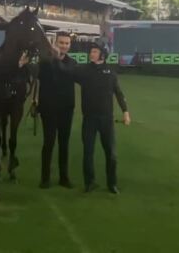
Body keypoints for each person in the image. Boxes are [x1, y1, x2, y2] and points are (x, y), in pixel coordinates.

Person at [54, 43, 131, 194]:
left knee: (111, 154)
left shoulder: (111, 72)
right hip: (89, 119)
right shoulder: (84, 70)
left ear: (102, 54)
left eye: (95, 51)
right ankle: (89, 183)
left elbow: (119, 93)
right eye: (91, 51)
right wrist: (57, 58)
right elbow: (65, 71)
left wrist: (125, 111)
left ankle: (112, 184)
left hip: (107, 119)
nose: (91, 53)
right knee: (88, 152)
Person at [37, 32, 77, 189]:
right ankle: (45, 178)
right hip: (48, 109)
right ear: (55, 43)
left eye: (67, 43)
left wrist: (56, 59)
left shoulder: (72, 63)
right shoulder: (45, 62)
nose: (64, 46)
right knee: (48, 143)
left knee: (64, 144)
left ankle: (63, 177)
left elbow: (66, 72)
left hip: (66, 109)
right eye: (61, 43)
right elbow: (38, 74)